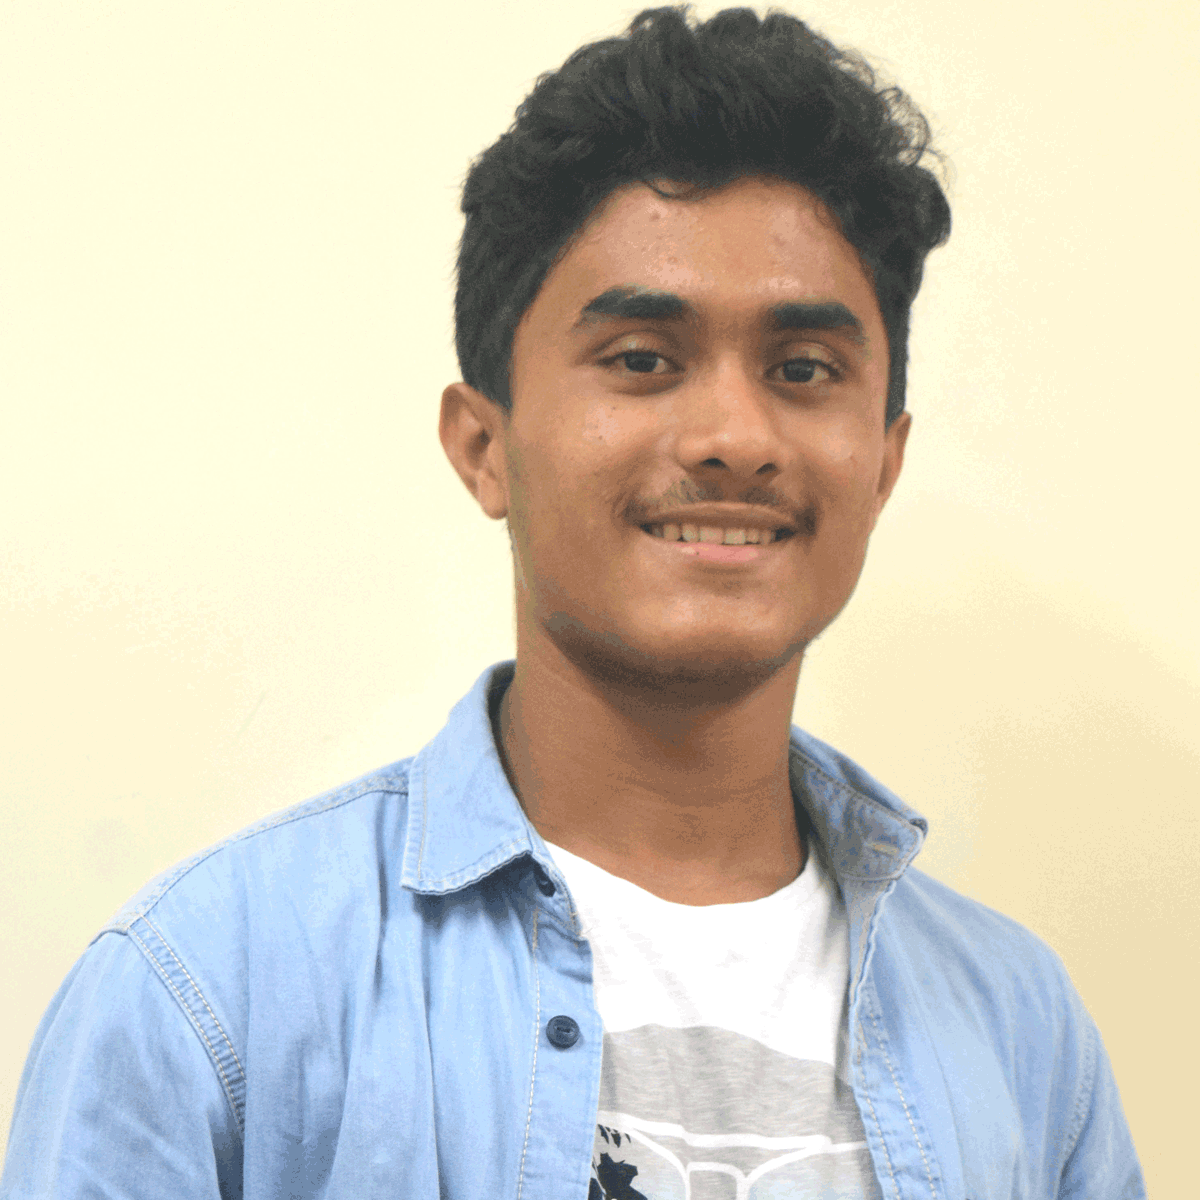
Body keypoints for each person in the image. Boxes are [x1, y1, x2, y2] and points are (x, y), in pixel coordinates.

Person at [2, 6, 1144, 1198]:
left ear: (884, 465)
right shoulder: (210, 994)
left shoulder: (1024, 1038)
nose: (734, 435)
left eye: (803, 370)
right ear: (483, 447)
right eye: (643, 359)